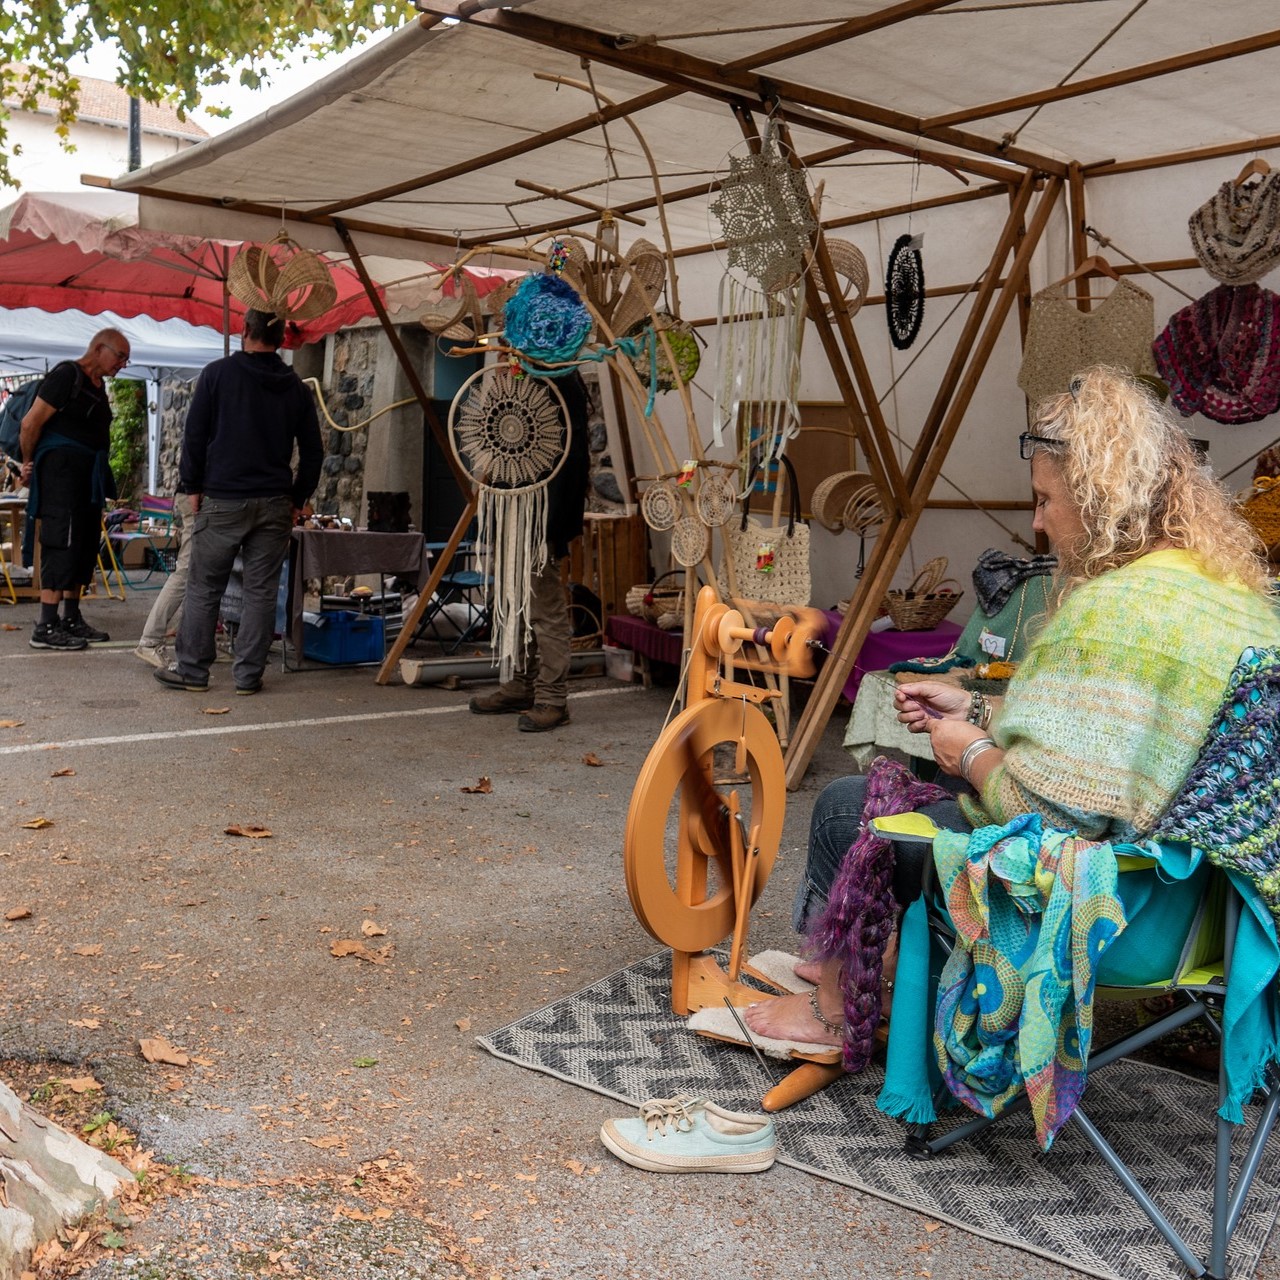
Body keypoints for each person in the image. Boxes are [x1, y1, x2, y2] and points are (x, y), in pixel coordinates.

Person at [745, 365, 1280, 1049]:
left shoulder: (1117, 611)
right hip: (1222, 914)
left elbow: (1054, 812)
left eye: (1045, 499)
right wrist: (980, 706)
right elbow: (1121, 738)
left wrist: (968, 751)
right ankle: (851, 967)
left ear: (1096, 499)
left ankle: (838, 1006)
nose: (1035, 520)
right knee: (924, 786)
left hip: (1119, 916)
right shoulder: (1231, 596)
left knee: (851, 807)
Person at [153, 309, 321, 695]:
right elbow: (313, 451)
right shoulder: (296, 386)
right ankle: (248, 676)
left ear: (244, 330)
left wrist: (191, 485)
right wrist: (298, 497)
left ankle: (193, 671)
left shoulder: (217, 374)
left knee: (204, 586)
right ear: (281, 338)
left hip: (223, 497)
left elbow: (194, 435)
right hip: (276, 500)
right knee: (261, 590)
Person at [467, 368, 590, 732]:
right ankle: (520, 683)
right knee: (513, 604)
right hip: (513, 510)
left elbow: (571, 462)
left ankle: (552, 697)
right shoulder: (522, 380)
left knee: (544, 608)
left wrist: (553, 526)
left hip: (541, 516)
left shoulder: (562, 384)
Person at [18, 330, 130, 650]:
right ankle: (46, 626)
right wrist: (28, 462)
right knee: (62, 541)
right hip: (61, 473)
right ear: (98, 348)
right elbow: (30, 424)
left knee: (82, 544)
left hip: (86, 476)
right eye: (120, 356)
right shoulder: (66, 374)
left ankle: (70, 617)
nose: (123, 363)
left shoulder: (99, 385)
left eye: (126, 358)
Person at [132, 491, 196, 667]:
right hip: (200, 497)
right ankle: (149, 641)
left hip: (204, 495)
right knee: (187, 571)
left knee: (202, 573)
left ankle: (200, 642)